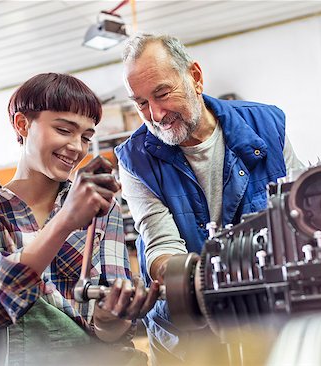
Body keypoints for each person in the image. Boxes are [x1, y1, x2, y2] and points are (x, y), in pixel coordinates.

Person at [0, 73, 159, 365]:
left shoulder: (102, 209)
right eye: (64, 130)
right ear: (22, 124)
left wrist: (111, 319)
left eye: (85, 137)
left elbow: (113, 335)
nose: (77, 147)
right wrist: (64, 222)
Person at [114, 33, 303, 364]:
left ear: (195, 77)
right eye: (141, 103)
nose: (155, 114)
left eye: (162, 93)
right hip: (188, 340)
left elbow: (300, 211)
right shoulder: (135, 160)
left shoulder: (267, 125)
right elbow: (161, 251)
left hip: (277, 321)